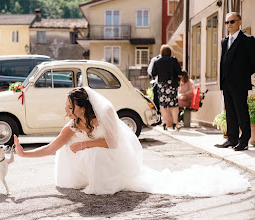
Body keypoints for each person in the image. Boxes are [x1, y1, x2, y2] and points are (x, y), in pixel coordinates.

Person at [14, 87, 250, 196]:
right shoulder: (71, 125)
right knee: (70, 148)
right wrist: (25, 154)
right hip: (82, 170)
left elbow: (113, 144)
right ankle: (85, 178)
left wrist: (85, 144)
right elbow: (52, 147)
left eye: (70, 105)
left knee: (91, 151)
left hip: (111, 160)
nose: (66, 109)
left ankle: (102, 183)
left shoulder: (102, 117)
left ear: (82, 107)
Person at [215, 12, 255, 151]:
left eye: (232, 22)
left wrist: (242, 76)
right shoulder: (224, 41)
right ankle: (231, 139)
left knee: (241, 111)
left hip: (240, 83)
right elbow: (223, 61)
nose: (229, 25)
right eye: (227, 22)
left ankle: (244, 140)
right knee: (230, 111)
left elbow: (253, 62)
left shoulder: (248, 40)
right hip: (226, 83)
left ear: (239, 22)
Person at [152, 45, 182, 130]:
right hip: (171, 85)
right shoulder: (173, 60)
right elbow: (179, 72)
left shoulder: (157, 61)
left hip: (161, 85)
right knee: (174, 104)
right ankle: (175, 124)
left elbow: (153, 73)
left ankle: (165, 123)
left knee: (163, 105)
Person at [147, 54, 162, 125]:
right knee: (156, 100)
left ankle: (162, 118)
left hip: (162, 83)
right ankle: (157, 118)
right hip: (156, 82)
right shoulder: (155, 59)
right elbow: (149, 70)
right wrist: (155, 75)